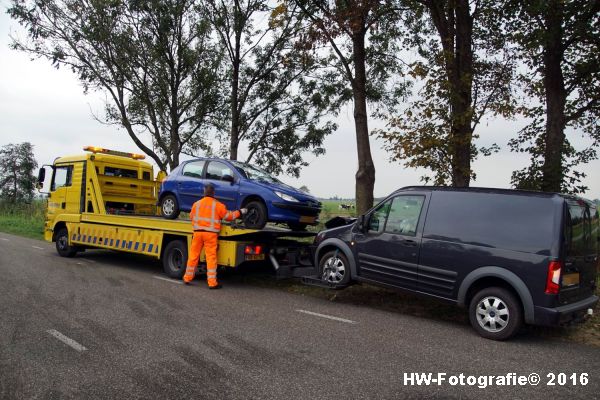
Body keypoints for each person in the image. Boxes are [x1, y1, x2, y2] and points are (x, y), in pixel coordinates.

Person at [183, 183, 247, 288]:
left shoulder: (196, 204)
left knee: (193, 256)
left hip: (198, 233)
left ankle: (187, 278)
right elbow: (229, 217)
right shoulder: (218, 205)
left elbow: (191, 216)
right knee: (210, 258)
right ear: (213, 193)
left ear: (204, 192)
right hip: (210, 235)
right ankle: (212, 283)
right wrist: (240, 212)